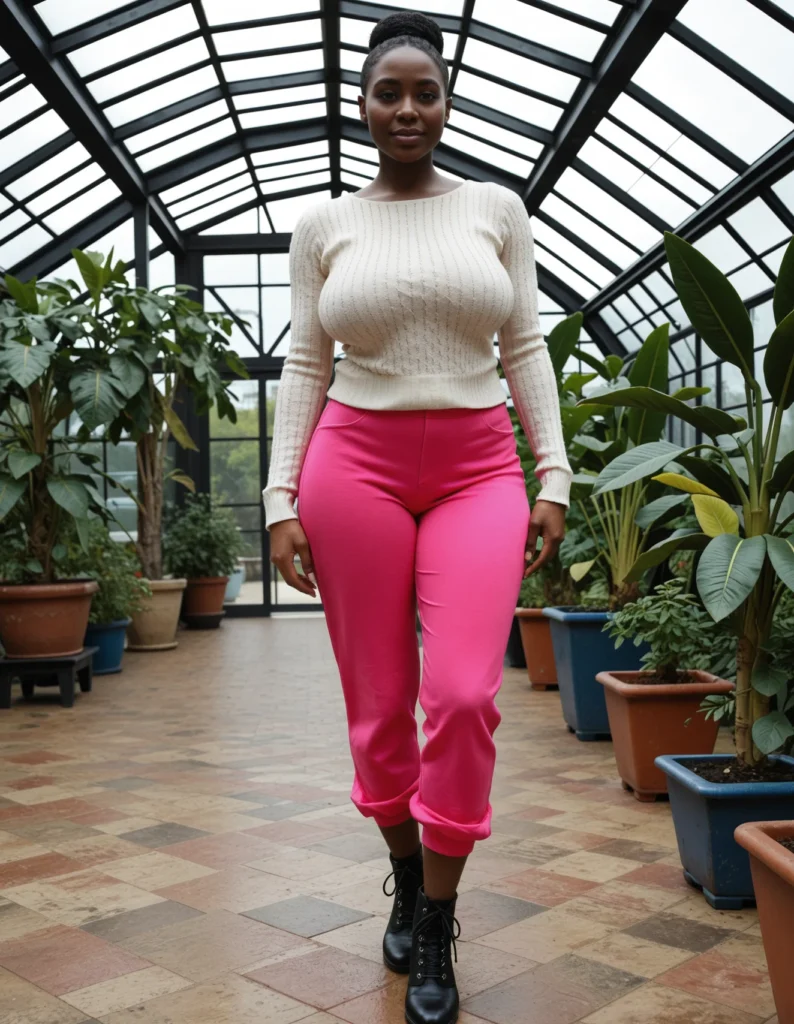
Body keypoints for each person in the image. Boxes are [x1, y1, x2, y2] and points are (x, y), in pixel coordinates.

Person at [263, 11, 571, 1023]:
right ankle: (405, 872)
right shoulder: (325, 225)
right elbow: (305, 362)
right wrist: (278, 498)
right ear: (361, 105)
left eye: (423, 92)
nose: (406, 108)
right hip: (353, 463)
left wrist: (553, 474)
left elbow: (524, 345)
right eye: (387, 92)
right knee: (378, 701)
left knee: (466, 691)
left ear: (445, 102)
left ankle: (437, 917)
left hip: (479, 467)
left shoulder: (495, 208)